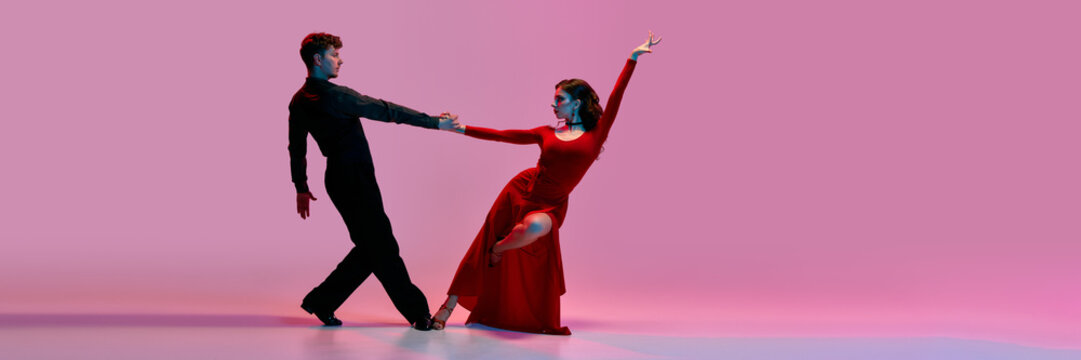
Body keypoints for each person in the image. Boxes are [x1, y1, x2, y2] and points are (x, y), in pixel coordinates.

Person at [431, 32, 662, 334]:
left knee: (535, 228)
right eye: (553, 99)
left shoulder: (596, 134)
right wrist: (459, 129)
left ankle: (499, 251)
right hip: (522, 189)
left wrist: (631, 59)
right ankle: (447, 306)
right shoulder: (546, 133)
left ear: (576, 103)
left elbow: (617, 96)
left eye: (559, 99)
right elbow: (503, 135)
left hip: (552, 203)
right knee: (481, 242)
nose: (553, 105)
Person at [287, 32, 456, 330]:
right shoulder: (337, 96)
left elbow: (296, 147)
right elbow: (385, 110)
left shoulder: (298, 100)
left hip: (337, 180)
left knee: (370, 247)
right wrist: (435, 122)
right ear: (318, 59)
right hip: (355, 179)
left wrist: (301, 186)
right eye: (334, 55)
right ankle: (418, 314)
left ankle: (322, 300)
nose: (340, 60)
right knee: (383, 247)